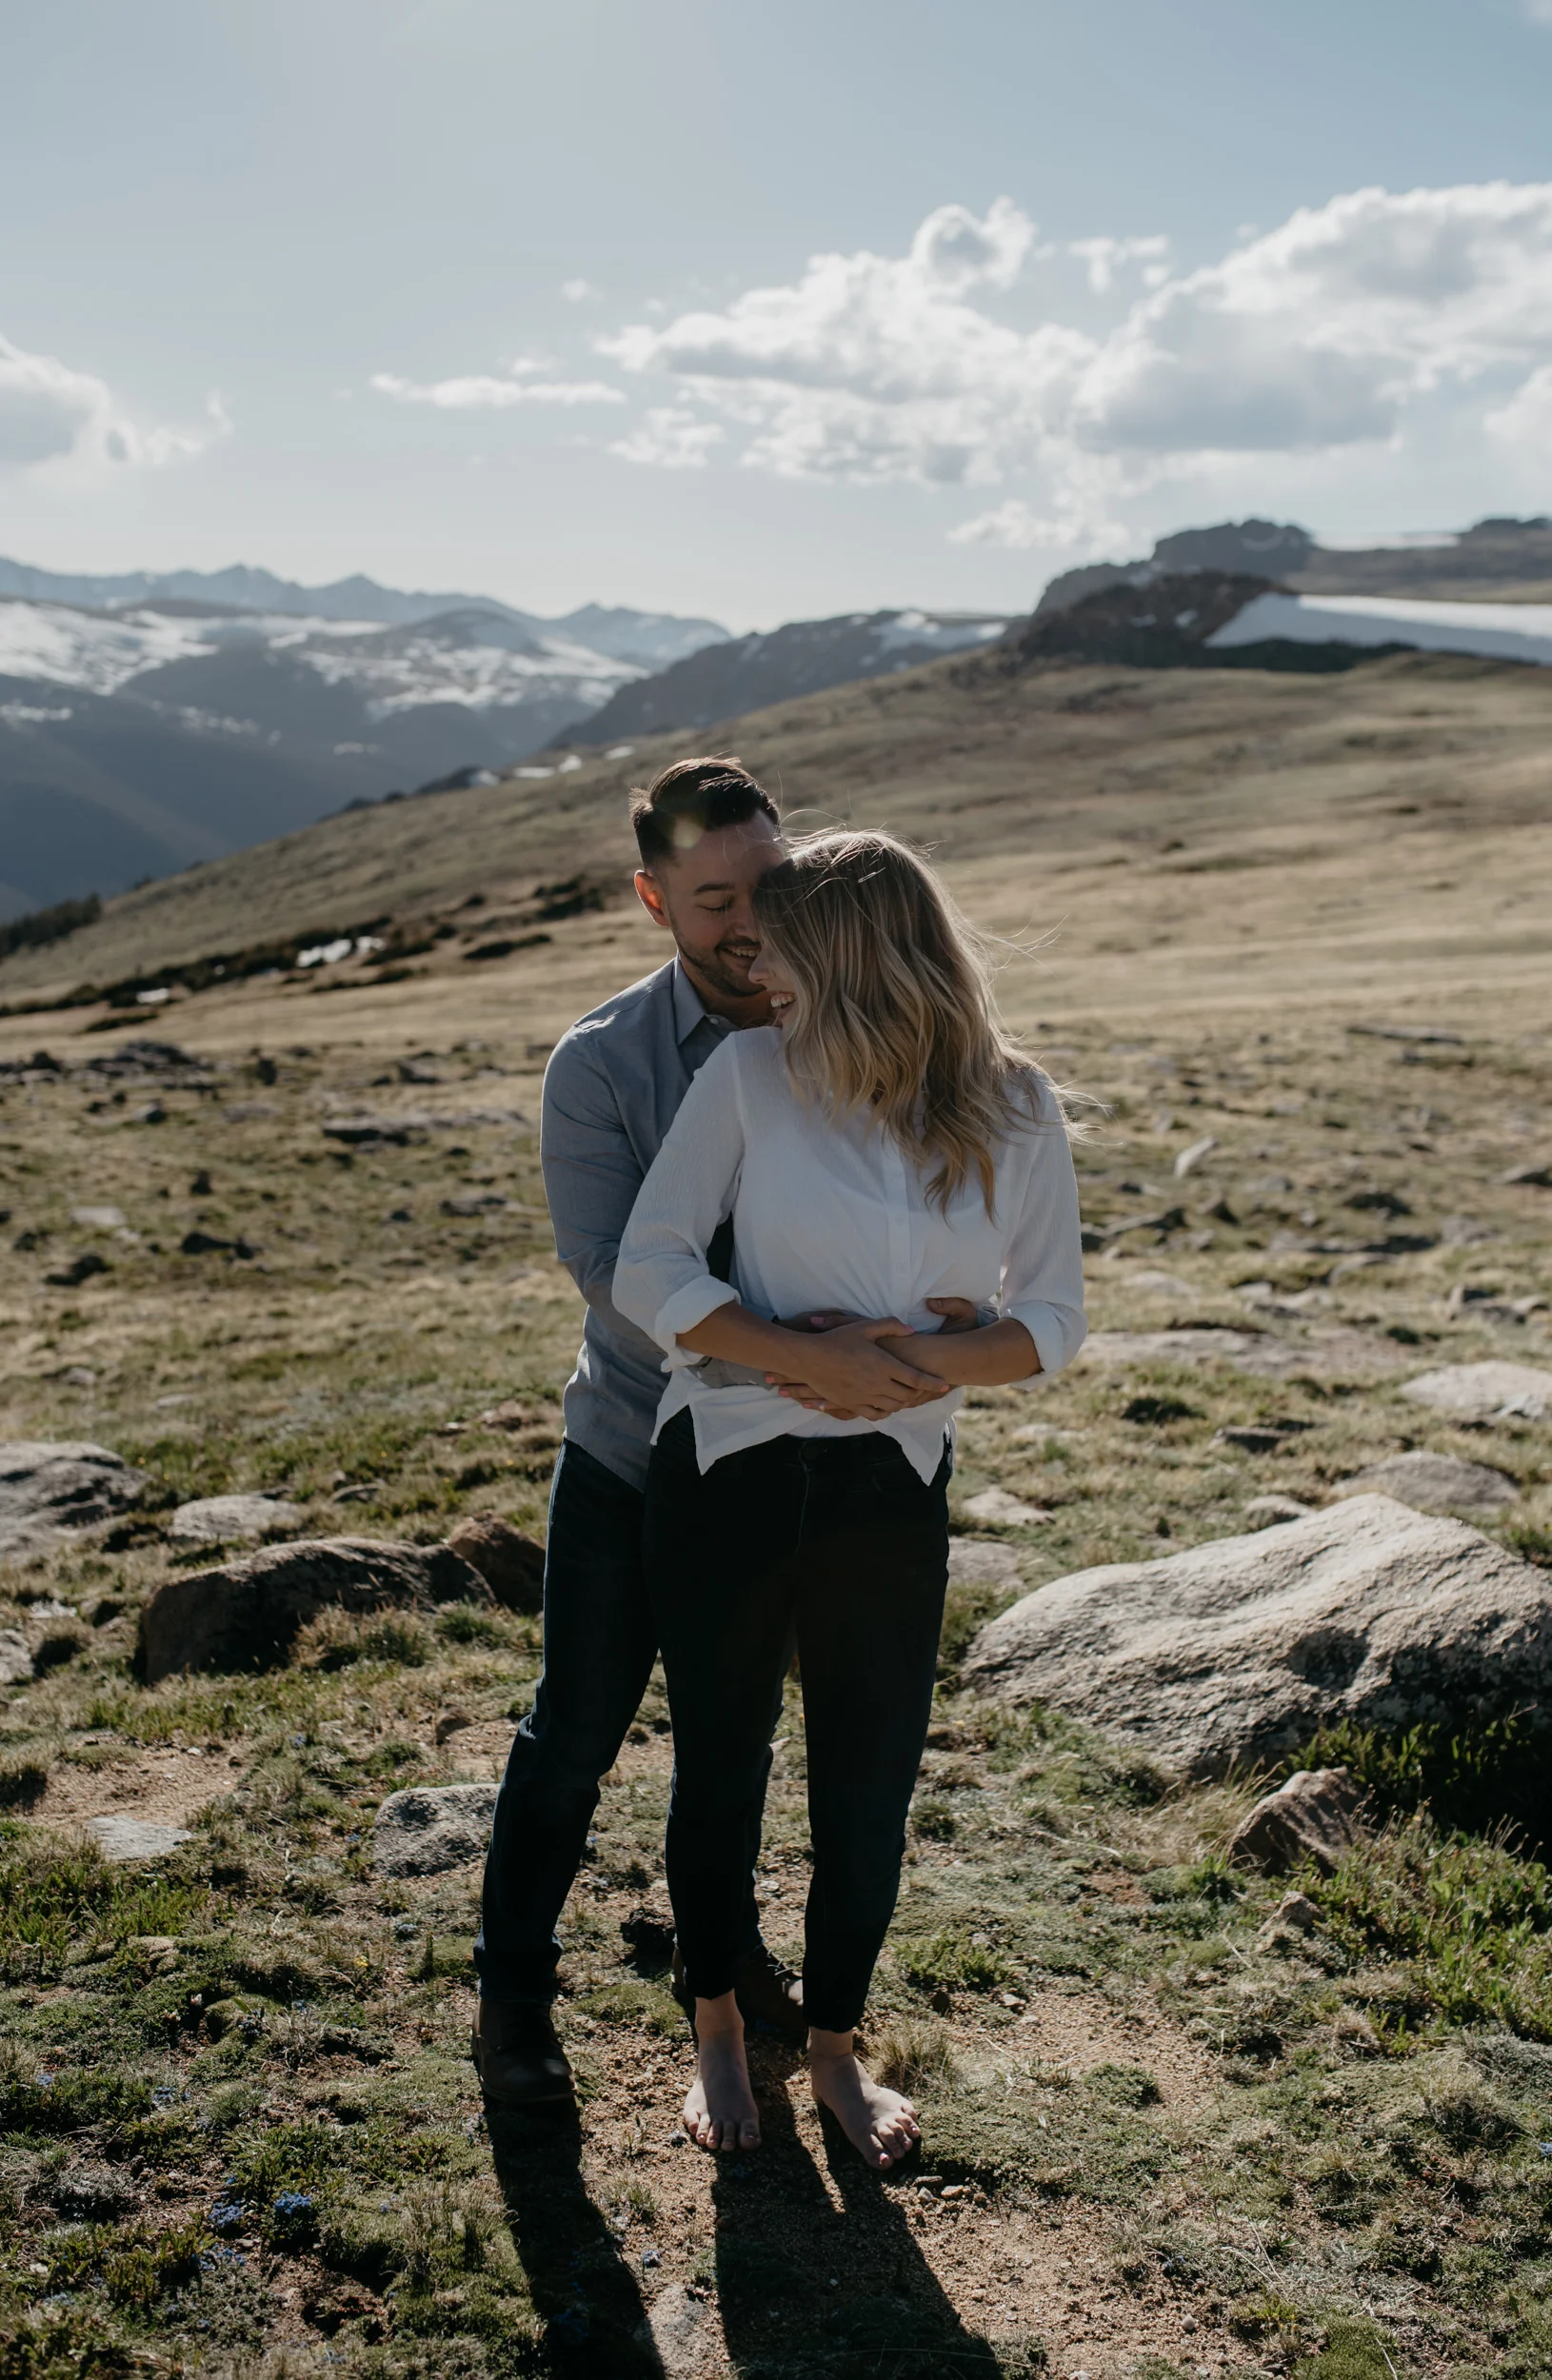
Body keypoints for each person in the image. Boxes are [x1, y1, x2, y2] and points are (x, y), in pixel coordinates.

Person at [470, 762, 967, 2108]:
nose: (751, 919)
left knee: (740, 1747)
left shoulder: (859, 1030)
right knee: (574, 1727)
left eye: (767, 882)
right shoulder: (602, 1066)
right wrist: (804, 1355)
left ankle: (734, 1984)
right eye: (711, 899)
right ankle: (512, 1995)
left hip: (838, 1469)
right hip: (639, 1459)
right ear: (653, 902)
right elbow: (610, 1274)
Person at [614, 830, 1086, 2168]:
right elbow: (649, 1270)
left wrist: (912, 1362)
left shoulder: (1014, 1105)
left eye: (777, 942)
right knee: (720, 1761)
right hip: (726, 1468)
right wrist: (803, 1354)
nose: (747, 961)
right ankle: (714, 2020)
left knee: (868, 1782)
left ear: (855, 955)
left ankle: (832, 2043)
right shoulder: (750, 1077)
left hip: (893, 1482)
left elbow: (1051, 1323)